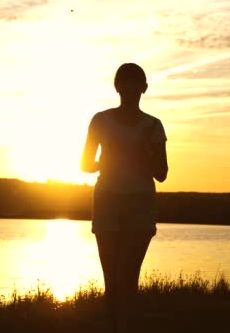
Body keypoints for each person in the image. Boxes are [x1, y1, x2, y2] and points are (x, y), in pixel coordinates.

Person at [80, 63, 168, 332]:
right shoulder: (100, 120)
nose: (130, 88)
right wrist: (105, 161)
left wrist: (144, 155)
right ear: (117, 87)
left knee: (128, 275)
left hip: (140, 203)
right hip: (107, 200)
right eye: (125, 82)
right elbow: (85, 164)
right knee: (111, 277)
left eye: (135, 82)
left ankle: (124, 325)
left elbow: (162, 173)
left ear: (144, 88)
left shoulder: (153, 126)